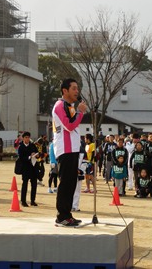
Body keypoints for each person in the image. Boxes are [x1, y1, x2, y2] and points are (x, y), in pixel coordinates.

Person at [52, 78, 87, 227]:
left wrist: (78, 111)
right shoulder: (60, 105)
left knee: (72, 182)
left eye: (77, 88)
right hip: (65, 149)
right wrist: (81, 112)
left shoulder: (69, 106)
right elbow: (69, 126)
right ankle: (61, 216)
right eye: (73, 88)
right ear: (65, 91)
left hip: (72, 149)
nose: (77, 91)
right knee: (66, 182)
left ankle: (67, 214)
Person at [18, 131, 39, 207]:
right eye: (26, 137)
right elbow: (21, 158)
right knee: (25, 184)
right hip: (25, 168)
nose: (27, 139)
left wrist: (36, 155)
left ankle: (32, 200)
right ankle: (23, 201)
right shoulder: (21, 147)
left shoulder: (32, 145)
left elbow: (37, 153)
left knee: (34, 184)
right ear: (23, 138)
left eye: (28, 137)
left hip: (33, 167)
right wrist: (29, 157)